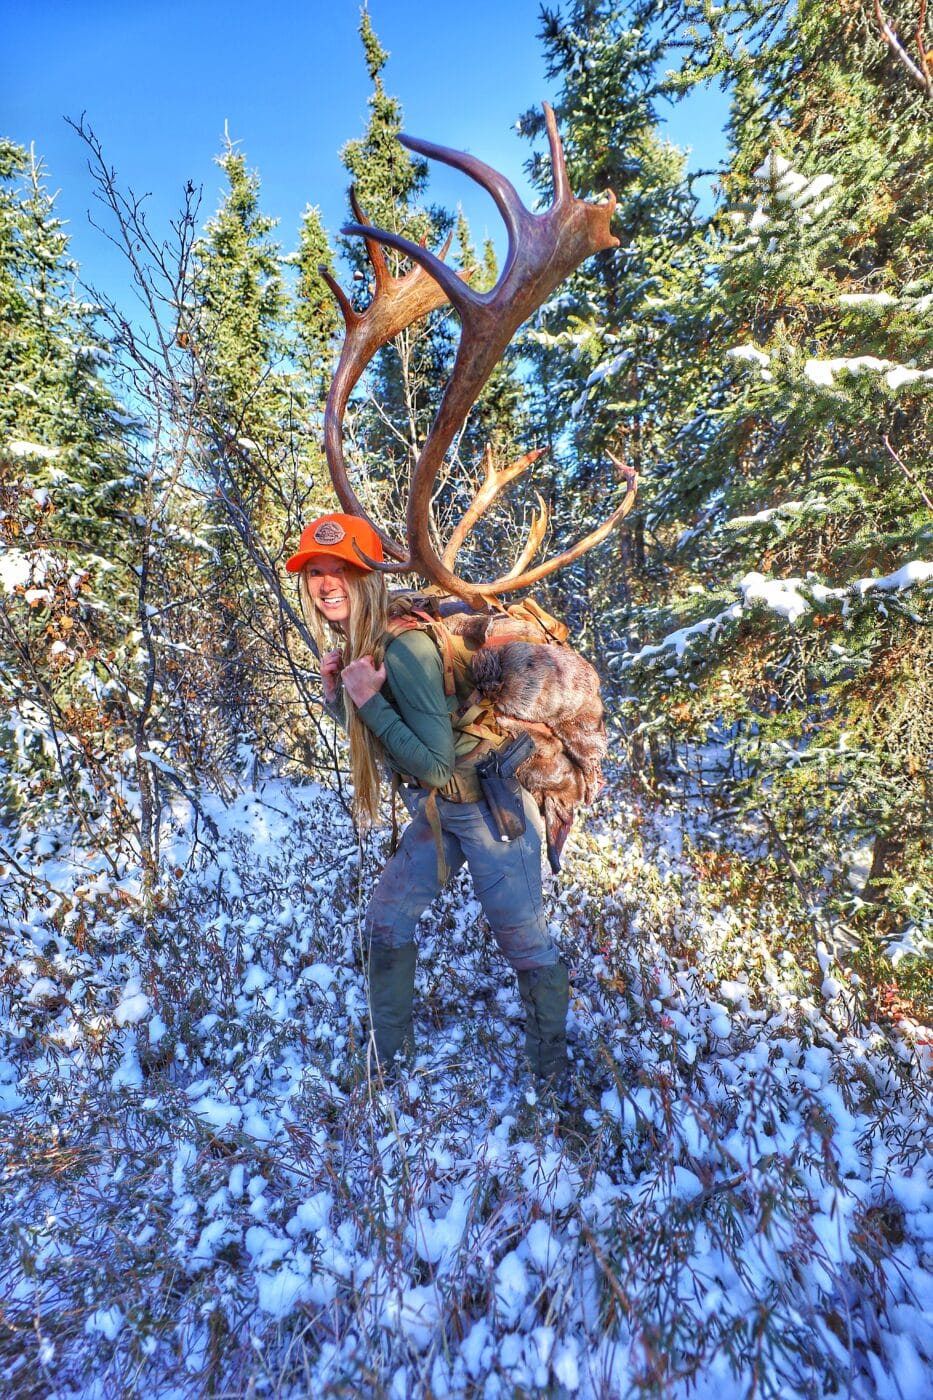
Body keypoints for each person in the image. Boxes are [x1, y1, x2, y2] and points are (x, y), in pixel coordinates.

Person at [286, 512, 569, 1092]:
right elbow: (397, 739)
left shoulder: (407, 646)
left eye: (342, 569)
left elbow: (436, 765)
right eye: (315, 571)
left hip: (494, 814)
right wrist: (342, 698)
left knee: (526, 944)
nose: (326, 582)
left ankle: (553, 1084)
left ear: (370, 577)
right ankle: (388, 1064)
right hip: (441, 813)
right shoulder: (367, 641)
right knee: (386, 920)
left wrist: (366, 700)